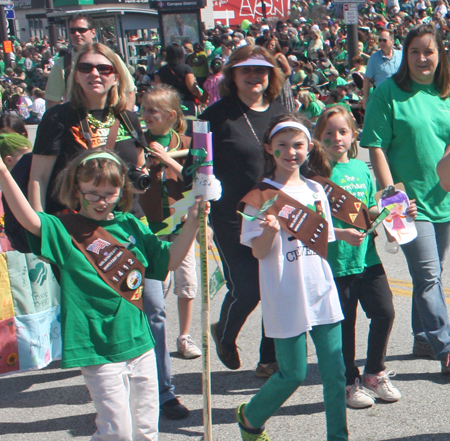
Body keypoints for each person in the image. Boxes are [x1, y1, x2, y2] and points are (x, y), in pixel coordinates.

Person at [0, 148, 206, 440]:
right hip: (96, 347)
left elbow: (169, 261)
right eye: (92, 193)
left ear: (121, 191)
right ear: (76, 190)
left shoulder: (130, 224)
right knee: (117, 432)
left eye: (109, 193)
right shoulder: (64, 229)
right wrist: (4, 173)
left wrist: (194, 221)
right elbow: (29, 219)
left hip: (139, 341)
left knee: (147, 430)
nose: (101, 201)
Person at [237, 113, 347, 441]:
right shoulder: (258, 196)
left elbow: (322, 238)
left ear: (309, 147)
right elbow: (257, 251)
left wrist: (345, 233)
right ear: (269, 149)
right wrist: (270, 232)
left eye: (297, 145)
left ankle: (338, 437)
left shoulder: (316, 188)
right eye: (282, 145)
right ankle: (250, 417)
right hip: (284, 292)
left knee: (335, 374)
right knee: (292, 374)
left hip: (321, 289)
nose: (290, 152)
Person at [360, 24, 450, 374]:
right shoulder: (387, 92)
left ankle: (423, 336)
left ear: (440, 54)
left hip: (443, 197)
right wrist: (391, 197)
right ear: (404, 55)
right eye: (415, 51)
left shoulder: (445, 92)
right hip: (408, 203)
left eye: (429, 51)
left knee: (433, 272)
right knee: (428, 275)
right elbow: (376, 147)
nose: (422, 58)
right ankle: (445, 347)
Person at [194, 45, 285, 375]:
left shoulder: (280, 111)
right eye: (246, 69)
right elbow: (198, 166)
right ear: (233, 74)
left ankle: (269, 358)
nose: (254, 76)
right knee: (248, 289)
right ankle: (225, 333)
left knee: (275, 285)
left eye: (261, 70)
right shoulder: (215, 116)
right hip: (231, 216)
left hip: (276, 213)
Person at [313, 106, 412, 408]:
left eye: (342, 131)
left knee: (385, 312)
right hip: (334, 261)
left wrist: (398, 211)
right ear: (317, 137)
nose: (336, 138)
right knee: (345, 324)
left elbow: (369, 210)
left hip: (366, 258)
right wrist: (340, 234)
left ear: (354, 134)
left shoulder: (360, 169)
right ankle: (346, 382)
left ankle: (374, 372)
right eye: (328, 133)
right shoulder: (314, 177)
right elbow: (312, 221)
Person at [29, 42, 146, 217]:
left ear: (115, 77)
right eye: (85, 68)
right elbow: (39, 178)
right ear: (76, 76)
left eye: (104, 69)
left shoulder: (128, 118)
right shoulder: (57, 118)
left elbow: (140, 166)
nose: (94, 73)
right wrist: (40, 226)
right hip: (75, 224)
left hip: (125, 221)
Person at [138, 85, 199, 418]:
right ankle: (154, 366)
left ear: (172, 116)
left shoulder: (188, 146)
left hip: (181, 228)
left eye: (153, 111)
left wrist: (166, 161)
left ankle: (185, 336)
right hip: (149, 232)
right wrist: (145, 162)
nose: (146, 116)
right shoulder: (137, 143)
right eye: (144, 110)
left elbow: (196, 185)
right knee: (154, 301)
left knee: (187, 284)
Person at [45, 13, 135, 110]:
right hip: (77, 121)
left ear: (93, 32)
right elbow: (52, 100)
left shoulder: (112, 58)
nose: (76, 34)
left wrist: (125, 120)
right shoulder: (62, 64)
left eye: (81, 30)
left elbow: (130, 91)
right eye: (72, 31)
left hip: (110, 118)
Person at [155, 43, 203, 122]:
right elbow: (192, 88)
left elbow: (158, 87)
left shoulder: (162, 70)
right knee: (188, 127)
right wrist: (201, 97)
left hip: (168, 103)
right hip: (186, 102)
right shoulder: (186, 68)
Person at [362, 29, 402, 108]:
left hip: (399, 96)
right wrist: (365, 98)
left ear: (392, 41)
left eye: (384, 40)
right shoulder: (374, 58)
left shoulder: (401, 55)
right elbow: (367, 79)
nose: (382, 43)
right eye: (380, 40)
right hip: (382, 97)